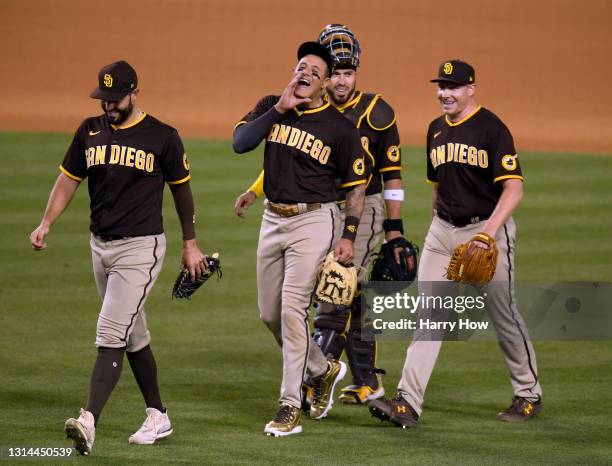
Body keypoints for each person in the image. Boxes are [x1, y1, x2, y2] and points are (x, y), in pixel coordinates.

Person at [30, 60, 208, 454]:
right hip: (100, 246)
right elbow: (68, 178)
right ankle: (158, 415)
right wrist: (47, 222)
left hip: (141, 249)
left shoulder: (162, 137)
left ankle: (88, 420)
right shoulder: (89, 131)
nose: (108, 106)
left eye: (115, 99)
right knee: (133, 333)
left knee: (111, 331)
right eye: (103, 99)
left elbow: (182, 190)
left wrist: (190, 242)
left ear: (134, 92)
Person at [235, 24, 406, 405]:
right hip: (320, 207)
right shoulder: (300, 105)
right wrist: (256, 189)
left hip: (363, 207)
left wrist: (394, 228)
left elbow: (391, 175)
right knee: (341, 293)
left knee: (335, 291)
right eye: (337, 73)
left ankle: (314, 380)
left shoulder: (374, 112)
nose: (342, 81)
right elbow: (288, 159)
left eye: (348, 73)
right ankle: (350, 375)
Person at [369, 59, 542, 428]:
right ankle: (407, 403)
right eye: (441, 86)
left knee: (504, 315)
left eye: (453, 87)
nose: (445, 93)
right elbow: (439, 185)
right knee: (429, 317)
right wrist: (437, 226)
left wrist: (487, 233)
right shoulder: (435, 129)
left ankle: (528, 393)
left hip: (485, 232)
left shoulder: (491, 129)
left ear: (470, 89)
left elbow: (514, 188)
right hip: (443, 231)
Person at [232, 41, 366, 436]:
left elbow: (356, 187)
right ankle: (323, 370)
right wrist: (279, 108)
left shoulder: (341, 128)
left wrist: (349, 236)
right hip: (272, 219)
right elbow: (240, 143)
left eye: (314, 72)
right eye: (300, 67)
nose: (305, 74)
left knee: (292, 312)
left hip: (314, 221)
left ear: (324, 85)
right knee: (269, 315)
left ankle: (290, 405)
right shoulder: (271, 107)